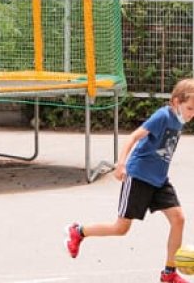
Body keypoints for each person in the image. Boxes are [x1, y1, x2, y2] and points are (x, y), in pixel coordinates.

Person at [65, 78, 194, 283]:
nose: (192, 114)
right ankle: (78, 231)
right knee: (121, 228)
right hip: (139, 177)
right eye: (190, 108)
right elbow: (133, 137)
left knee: (179, 219)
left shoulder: (179, 121)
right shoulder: (162, 116)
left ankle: (169, 274)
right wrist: (121, 164)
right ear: (176, 102)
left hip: (159, 180)